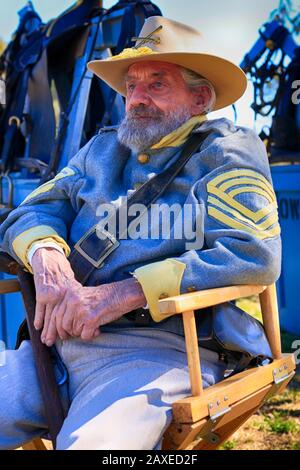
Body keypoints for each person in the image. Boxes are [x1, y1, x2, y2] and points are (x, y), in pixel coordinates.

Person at [0, 16, 281, 450]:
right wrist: (47, 258)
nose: (136, 99)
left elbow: (254, 253)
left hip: (160, 354)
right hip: (53, 349)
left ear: (200, 97)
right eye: (132, 86)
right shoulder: (102, 148)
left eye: (157, 84)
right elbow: (33, 209)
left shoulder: (225, 153)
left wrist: (119, 295)